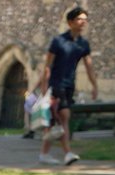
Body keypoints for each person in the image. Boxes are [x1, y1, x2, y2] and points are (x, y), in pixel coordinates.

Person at [38, 7, 98, 166]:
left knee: (56, 122)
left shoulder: (83, 44)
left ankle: (44, 154)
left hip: (69, 85)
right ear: (70, 22)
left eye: (85, 19)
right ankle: (68, 153)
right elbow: (47, 65)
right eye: (80, 19)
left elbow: (89, 66)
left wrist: (94, 85)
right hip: (56, 84)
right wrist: (44, 87)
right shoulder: (58, 41)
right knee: (64, 117)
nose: (83, 22)